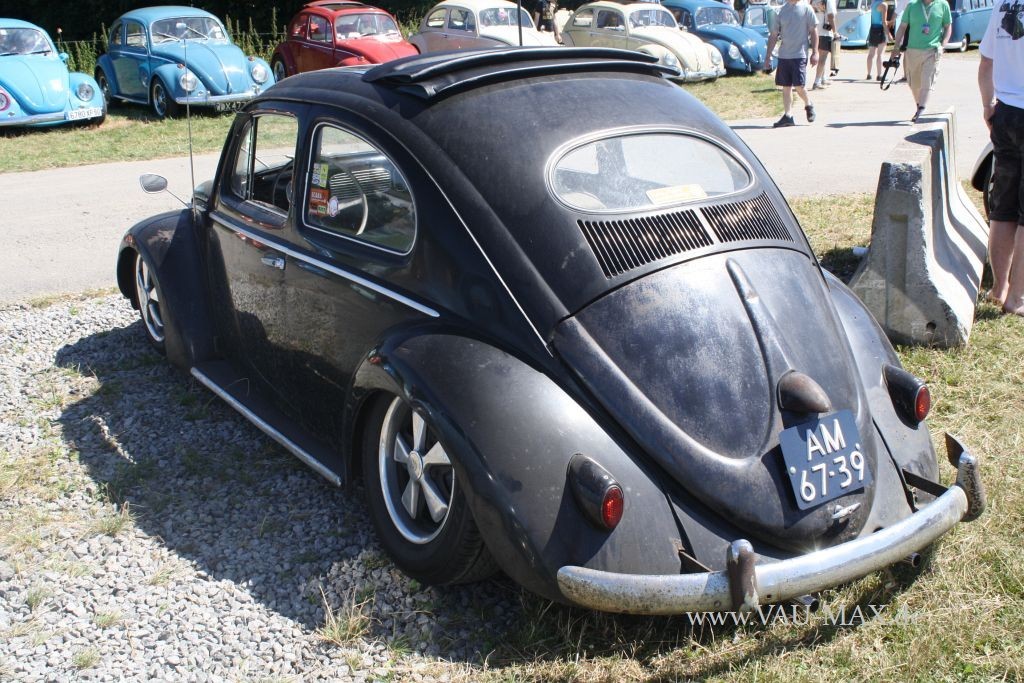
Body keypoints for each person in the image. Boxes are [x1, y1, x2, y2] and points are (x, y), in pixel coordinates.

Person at [977, 0, 1024, 315]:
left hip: (1005, 112)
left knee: (1003, 206)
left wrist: (987, 105)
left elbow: (986, 62)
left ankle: (999, 288)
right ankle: (1017, 298)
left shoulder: (1003, 3)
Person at [890, 0, 951, 122]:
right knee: (914, 84)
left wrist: (943, 45)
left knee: (927, 80)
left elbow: (948, 26)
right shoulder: (912, 5)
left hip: (932, 50)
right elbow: (902, 27)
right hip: (912, 51)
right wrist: (896, 47)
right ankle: (919, 105)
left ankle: (922, 109)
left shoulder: (943, 5)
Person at [764, 0, 819, 127]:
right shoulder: (781, 10)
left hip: (800, 54)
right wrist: (768, 56)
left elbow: (814, 31)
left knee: (799, 85)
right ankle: (788, 116)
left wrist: (815, 52)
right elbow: (774, 34)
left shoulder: (806, 9)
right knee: (786, 86)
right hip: (784, 54)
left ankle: (808, 104)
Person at [812, 0, 838, 89]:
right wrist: (835, 32)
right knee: (822, 58)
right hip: (825, 33)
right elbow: (831, 16)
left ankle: (823, 78)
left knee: (821, 57)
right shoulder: (830, 1)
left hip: (815, 32)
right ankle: (817, 81)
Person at [866, 0, 891, 80]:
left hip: (873, 29)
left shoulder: (873, 3)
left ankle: (869, 74)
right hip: (880, 30)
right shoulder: (884, 5)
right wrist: (889, 34)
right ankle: (879, 75)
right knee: (880, 54)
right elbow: (883, 22)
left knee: (871, 54)